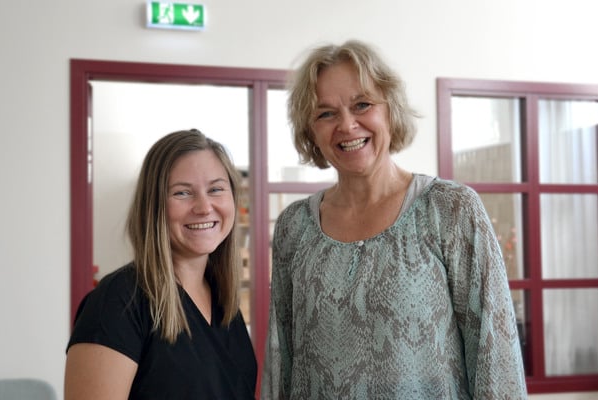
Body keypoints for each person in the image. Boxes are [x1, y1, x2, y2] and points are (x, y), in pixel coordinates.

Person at [261, 40, 527, 399]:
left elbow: (495, 356)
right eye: (325, 113)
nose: (347, 124)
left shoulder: (451, 210)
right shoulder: (295, 226)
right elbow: (282, 359)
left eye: (362, 105)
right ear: (310, 131)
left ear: (390, 110)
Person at [65, 129, 257, 399]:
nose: (204, 207)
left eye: (216, 189)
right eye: (182, 193)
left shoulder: (224, 303)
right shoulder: (119, 302)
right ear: (153, 205)